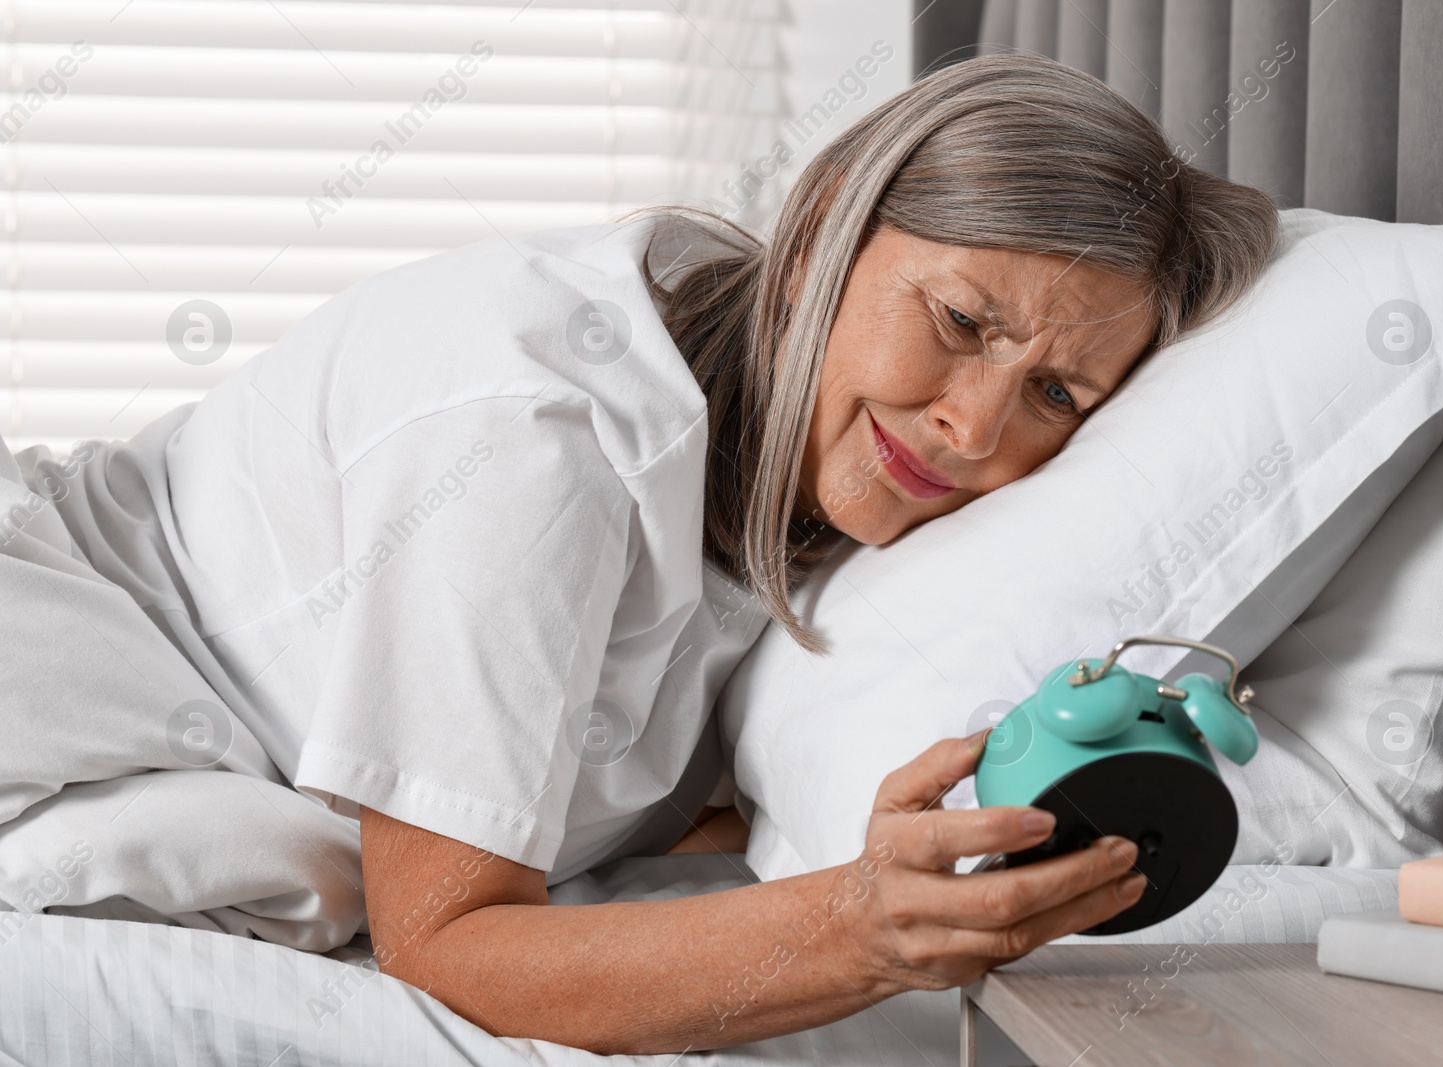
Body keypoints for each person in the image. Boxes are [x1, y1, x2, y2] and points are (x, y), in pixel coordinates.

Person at [0, 56, 1278, 1052]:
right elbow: (443, 943)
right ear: (827, 226)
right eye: (957, 320)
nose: (976, 423)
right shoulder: (537, 438)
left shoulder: (802, 472)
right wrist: (857, 929)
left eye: (1056, 394)